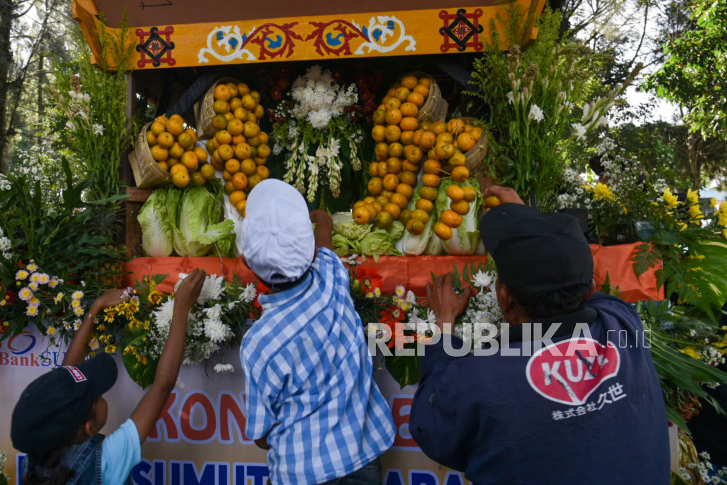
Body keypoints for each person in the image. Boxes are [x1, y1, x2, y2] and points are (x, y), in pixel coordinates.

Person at [409, 186, 670, 485]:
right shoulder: (623, 325)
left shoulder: (479, 379)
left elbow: (430, 427)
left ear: (504, 299)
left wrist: (444, 324)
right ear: (589, 291)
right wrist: (528, 218)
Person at [238, 179, 395, 485]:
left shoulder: (258, 343)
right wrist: (318, 216)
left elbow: (260, 435)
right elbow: (323, 233)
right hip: (361, 461)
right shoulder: (332, 277)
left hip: (301, 473)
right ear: (309, 253)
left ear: (246, 263)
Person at [11, 268, 207, 485]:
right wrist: (181, 308)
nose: (101, 394)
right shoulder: (108, 459)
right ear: (89, 427)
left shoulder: (41, 455)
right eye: (97, 395)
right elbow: (162, 384)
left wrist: (94, 310)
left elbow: (66, 375)